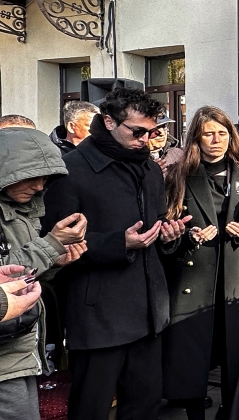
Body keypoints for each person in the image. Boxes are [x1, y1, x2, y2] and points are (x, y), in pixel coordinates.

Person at [40, 87, 191, 420]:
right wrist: (117, 244)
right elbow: (54, 245)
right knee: (91, 409)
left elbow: (153, 228)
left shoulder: (150, 169)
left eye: (152, 132)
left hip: (149, 313)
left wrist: (170, 236)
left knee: (144, 408)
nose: (146, 139)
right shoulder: (70, 170)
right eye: (137, 131)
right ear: (108, 122)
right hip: (98, 318)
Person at [162, 106, 239, 420]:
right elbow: (165, 230)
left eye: (222, 133)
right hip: (195, 275)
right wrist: (187, 235)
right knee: (192, 358)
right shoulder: (179, 175)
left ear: (231, 136)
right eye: (208, 134)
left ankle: (231, 411)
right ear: (196, 138)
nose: (216, 140)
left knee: (237, 353)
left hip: (237, 274)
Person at [0, 128, 88, 420]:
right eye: (32, 176)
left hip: (21, 349)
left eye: (46, 179)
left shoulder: (23, 210)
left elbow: (26, 276)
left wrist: (56, 260)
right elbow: (7, 276)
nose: (39, 186)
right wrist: (51, 245)